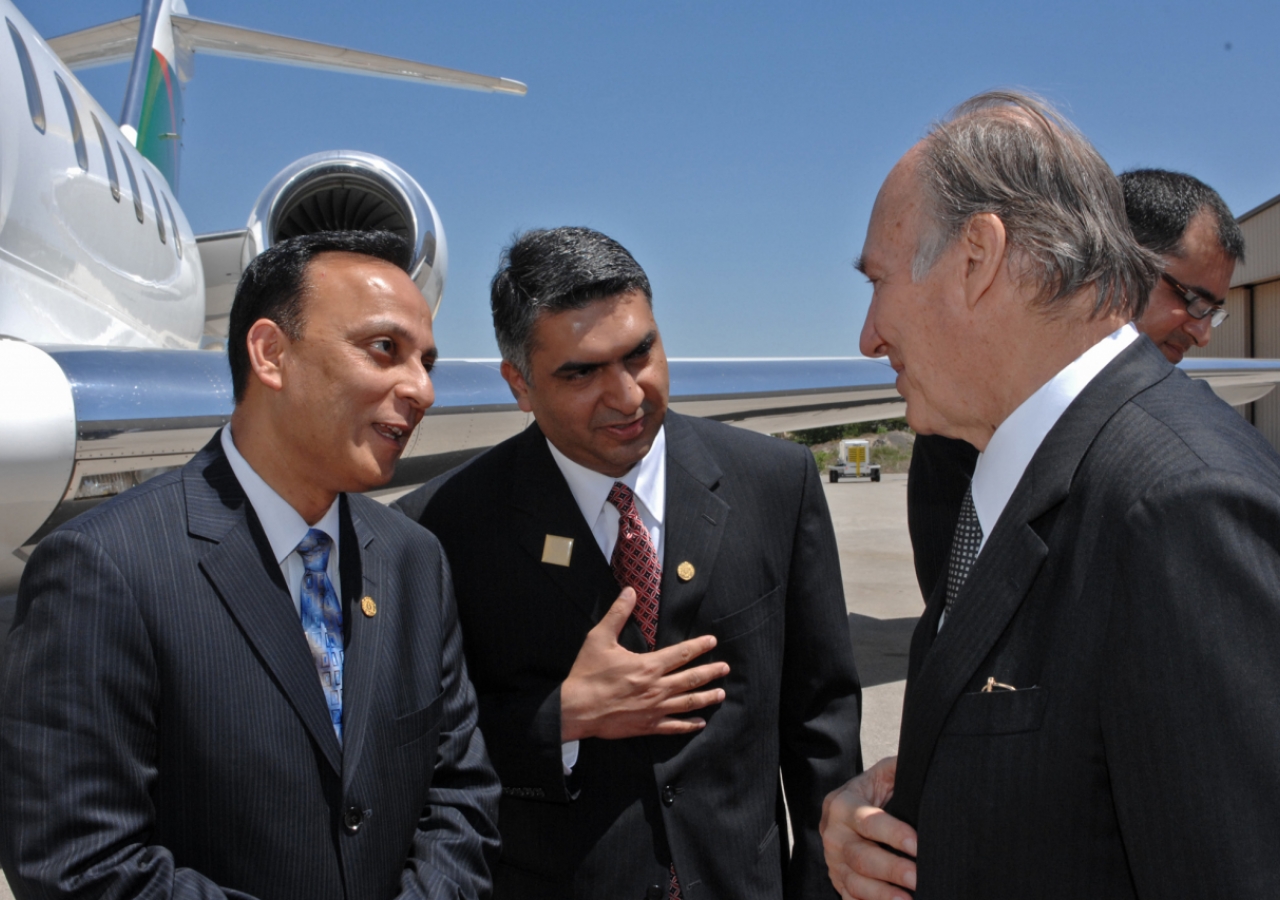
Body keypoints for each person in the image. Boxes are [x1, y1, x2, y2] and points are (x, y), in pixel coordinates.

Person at [820, 91, 1280, 899]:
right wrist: (892, 816)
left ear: (978, 257)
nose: (869, 334)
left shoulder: (1176, 506)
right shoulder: (1020, 471)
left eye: (880, 280)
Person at [0, 231, 501, 900]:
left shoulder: (414, 560)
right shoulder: (105, 568)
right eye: (386, 350)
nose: (423, 389)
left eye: (426, 361)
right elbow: (79, 864)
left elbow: (459, 794)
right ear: (271, 353)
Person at [395, 226, 862, 899]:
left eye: (640, 353)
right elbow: (420, 756)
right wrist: (562, 716)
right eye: (581, 372)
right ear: (519, 385)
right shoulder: (439, 530)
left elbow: (821, 725)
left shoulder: (775, 483)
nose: (627, 395)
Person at [908, 168, 1246, 601]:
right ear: (1118, 261)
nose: (1203, 334)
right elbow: (955, 615)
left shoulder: (1194, 449)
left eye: (1214, 311)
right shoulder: (973, 416)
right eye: (1192, 301)